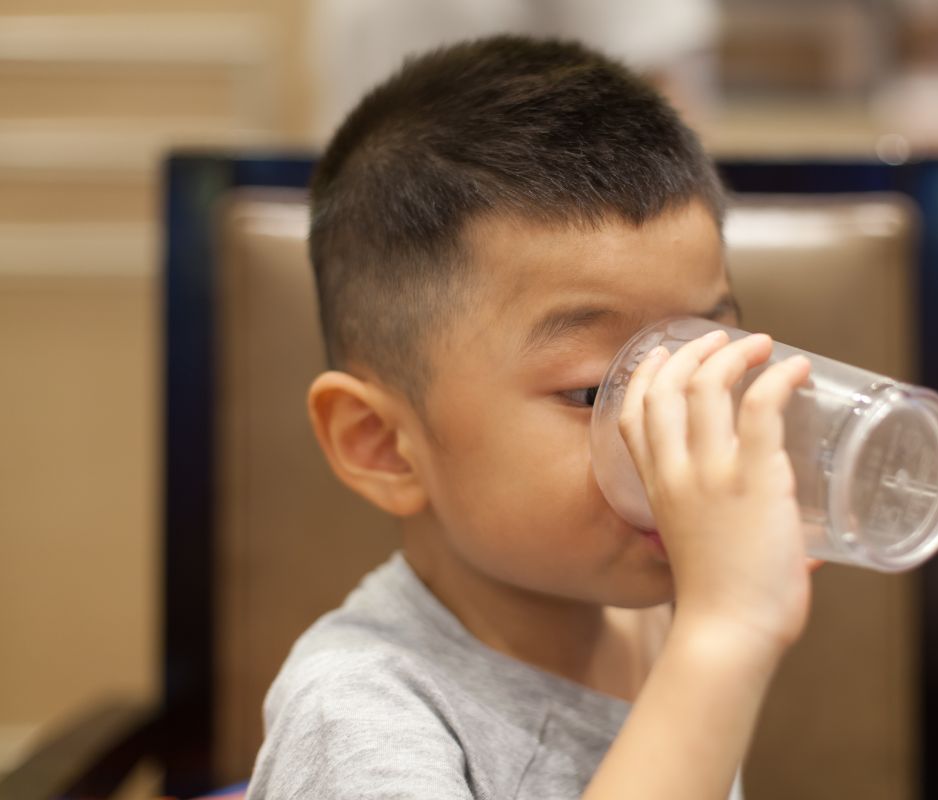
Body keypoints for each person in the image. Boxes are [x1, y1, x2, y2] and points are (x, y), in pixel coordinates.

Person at [247, 34, 816, 800]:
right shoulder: (358, 716)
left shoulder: (645, 619)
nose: (664, 424)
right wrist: (722, 641)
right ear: (384, 445)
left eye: (695, 354)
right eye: (590, 393)